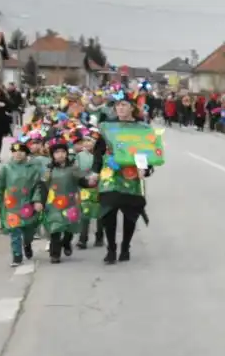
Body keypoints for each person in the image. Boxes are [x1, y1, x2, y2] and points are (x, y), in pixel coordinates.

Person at [95, 97, 153, 263]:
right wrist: (94, 171)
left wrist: (145, 168)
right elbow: (99, 151)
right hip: (110, 174)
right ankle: (111, 248)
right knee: (108, 211)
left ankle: (125, 246)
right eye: (117, 105)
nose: (120, 108)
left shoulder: (141, 128)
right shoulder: (107, 127)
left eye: (124, 105)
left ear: (132, 108)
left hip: (131, 174)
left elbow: (146, 150)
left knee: (130, 214)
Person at [0, 140, 45, 267]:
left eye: (21, 151)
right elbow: (0, 186)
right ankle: (17, 256)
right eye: (15, 151)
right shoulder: (6, 168)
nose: (18, 154)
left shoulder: (34, 168)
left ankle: (27, 243)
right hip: (12, 206)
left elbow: (39, 186)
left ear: (26, 154)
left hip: (28, 205)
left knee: (29, 230)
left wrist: (38, 200)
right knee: (14, 231)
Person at [41, 141, 87, 263]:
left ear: (66, 153)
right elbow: (42, 186)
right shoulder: (48, 170)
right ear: (52, 155)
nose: (60, 155)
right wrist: (39, 201)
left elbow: (82, 181)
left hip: (71, 202)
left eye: (63, 152)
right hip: (54, 203)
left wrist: (91, 183)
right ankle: (55, 254)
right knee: (55, 228)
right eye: (57, 152)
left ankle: (66, 242)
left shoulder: (73, 167)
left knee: (69, 227)